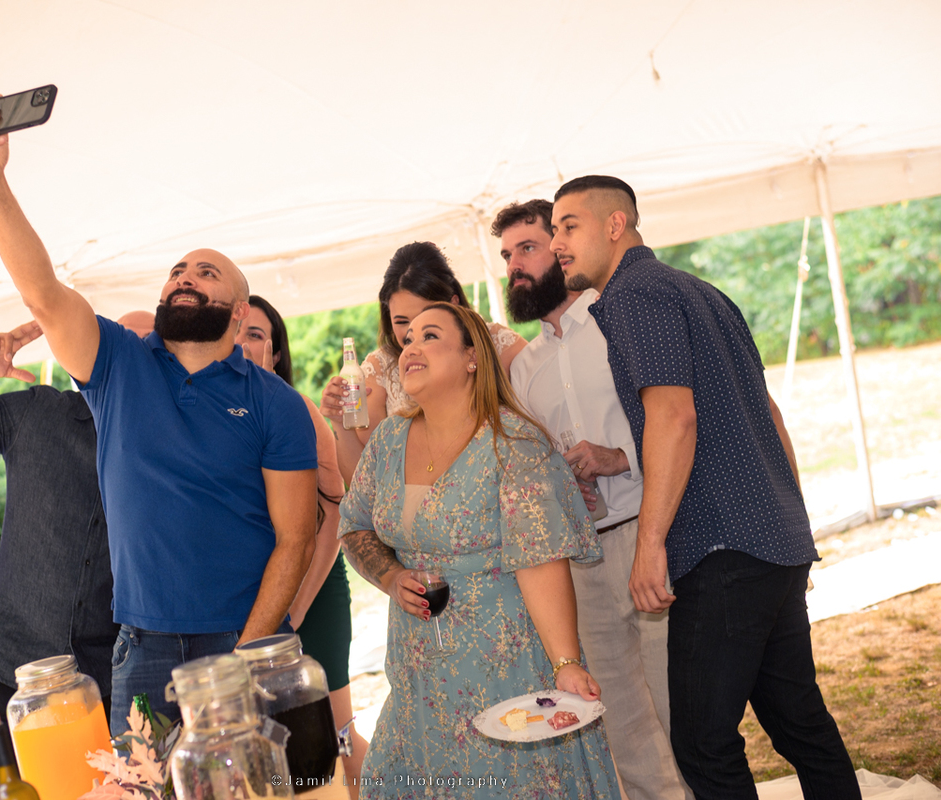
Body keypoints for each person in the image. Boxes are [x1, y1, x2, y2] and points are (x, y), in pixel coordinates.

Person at [0, 96, 319, 734]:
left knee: (257, 779)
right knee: (145, 781)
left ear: (239, 312)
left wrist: (245, 654)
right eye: (177, 271)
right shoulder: (119, 364)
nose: (186, 277)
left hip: (242, 640)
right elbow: (43, 292)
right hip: (142, 649)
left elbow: (297, 537)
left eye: (206, 273)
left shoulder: (276, 403)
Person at [551, 175, 861, 800]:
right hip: (771, 536)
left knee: (702, 743)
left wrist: (649, 544)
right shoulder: (700, 290)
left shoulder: (634, 294)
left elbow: (673, 417)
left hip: (721, 548)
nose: (558, 242)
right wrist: (793, 525)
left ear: (616, 225)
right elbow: (769, 415)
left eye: (569, 226)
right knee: (801, 725)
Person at [338, 301, 620, 799]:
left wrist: (565, 664)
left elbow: (540, 561)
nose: (412, 347)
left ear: (473, 357)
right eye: (408, 339)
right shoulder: (387, 440)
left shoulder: (513, 444)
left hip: (503, 669)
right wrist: (390, 577)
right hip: (417, 673)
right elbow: (355, 526)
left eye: (430, 336)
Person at [499, 199, 691, 800]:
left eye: (528, 249)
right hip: (581, 557)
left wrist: (618, 457)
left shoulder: (619, 320)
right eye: (507, 257)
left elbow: (677, 418)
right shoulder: (524, 368)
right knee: (621, 723)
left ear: (561, 249)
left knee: (681, 708)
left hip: (649, 533)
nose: (515, 267)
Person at [0, 316, 150, 768]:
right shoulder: (38, 411)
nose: (131, 358)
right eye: (118, 344)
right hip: (10, 668)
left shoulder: (173, 448)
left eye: (147, 350)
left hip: (110, 677)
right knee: (10, 790)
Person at [236, 295, 369, 797]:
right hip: (260, 597)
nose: (242, 343)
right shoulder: (218, 414)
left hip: (312, 586)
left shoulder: (296, 408)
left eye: (255, 335)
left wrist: (295, 610)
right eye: (235, 332)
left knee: (337, 734)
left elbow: (334, 512)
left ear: (275, 353)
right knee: (283, 748)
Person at [320, 241, 526, 482]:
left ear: (454, 304)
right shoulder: (378, 371)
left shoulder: (502, 347)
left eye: (426, 324)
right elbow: (365, 483)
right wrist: (339, 423)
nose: (413, 334)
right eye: (402, 322)